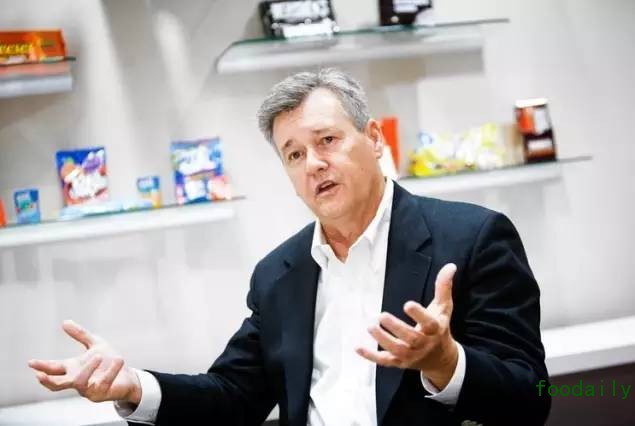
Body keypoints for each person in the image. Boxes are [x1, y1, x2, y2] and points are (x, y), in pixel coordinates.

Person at [29, 68, 551, 425]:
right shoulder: (279, 273)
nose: (313, 164)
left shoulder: (473, 238)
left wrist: (445, 361)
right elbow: (233, 397)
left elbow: (532, 397)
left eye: (327, 141)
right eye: (294, 154)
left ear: (374, 139)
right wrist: (133, 386)